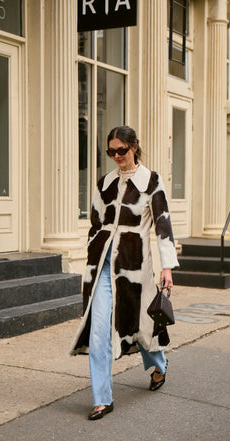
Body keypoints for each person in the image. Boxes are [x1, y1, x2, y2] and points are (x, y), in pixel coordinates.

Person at [70, 126, 179, 420]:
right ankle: (102, 398)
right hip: (103, 267)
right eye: (111, 152)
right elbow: (95, 222)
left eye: (122, 150)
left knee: (140, 326)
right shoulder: (104, 183)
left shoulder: (151, 182)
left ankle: (159, 364)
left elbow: (163, 224)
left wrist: (167, 265)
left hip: (134, 267)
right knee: (99, 331)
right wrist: (93, 248)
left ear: (134, 148)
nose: (117, 156)